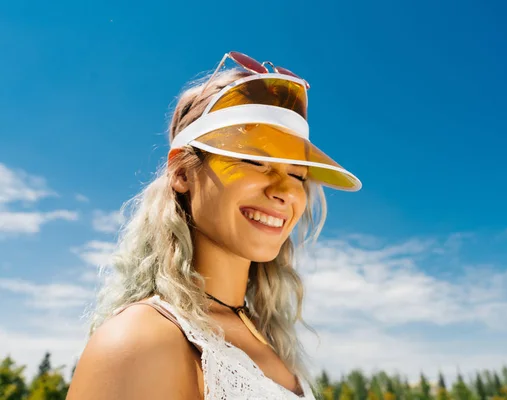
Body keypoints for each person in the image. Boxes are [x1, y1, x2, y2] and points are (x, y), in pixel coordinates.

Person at [66, 51, 361, 399]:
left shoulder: (264, 334)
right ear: (182, 173)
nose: (284, 191)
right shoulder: (143, 339)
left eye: (297, 175)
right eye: (255, 161)